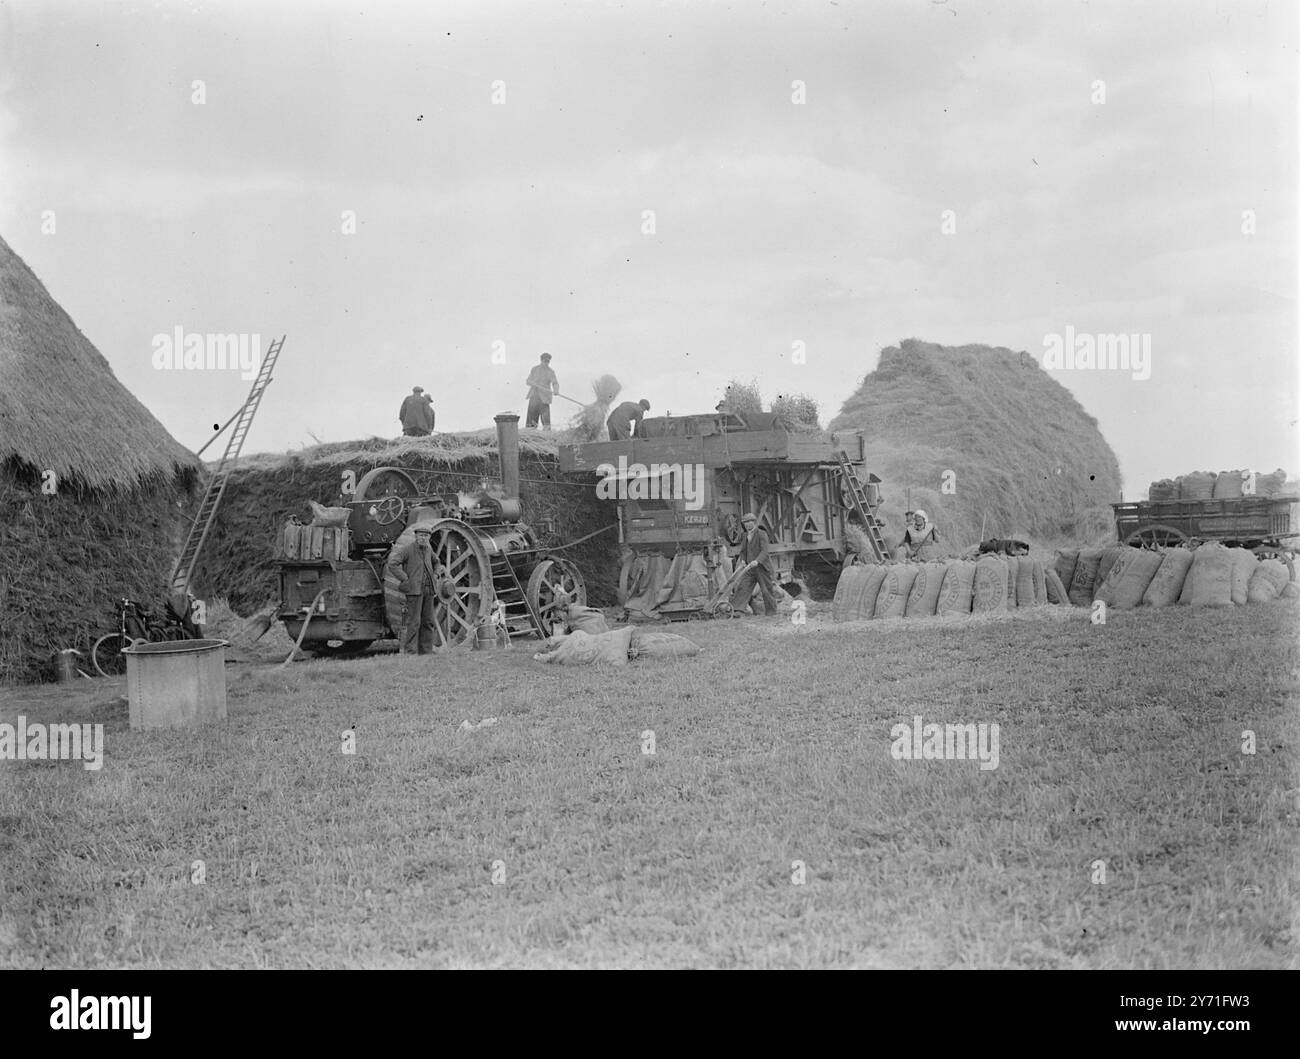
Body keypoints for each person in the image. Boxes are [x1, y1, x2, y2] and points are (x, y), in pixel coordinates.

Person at [386, 525, 439, 653]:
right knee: (414, 623)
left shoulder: (428, 550)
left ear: (429, 537)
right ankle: (411, 651)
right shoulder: (408, 549)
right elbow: (392, 563)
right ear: (415, 536)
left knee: (428, 622)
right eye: (421, 535)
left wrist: (436, 574)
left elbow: (437, 562)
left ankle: (426, 651)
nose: (423, 538)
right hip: (414, 591)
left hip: (428, 591)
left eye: (426, 536)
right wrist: (405, 578)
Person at [730, 512, 780, 617]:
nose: (747, 524)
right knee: (743, 587)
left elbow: (765, 551)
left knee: (766, 590)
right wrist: (743, 560)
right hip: (750, 568)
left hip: (761, 567)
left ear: (754, 522)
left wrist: (757, 561)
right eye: (745, 523)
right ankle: (737, 611)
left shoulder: (761, 533)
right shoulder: (744, 535)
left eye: (749, 522)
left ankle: (771, 613)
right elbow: (743, 551)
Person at [524, 353, 559, 429]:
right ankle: (531, 434)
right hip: (534, 397)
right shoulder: (534, 369)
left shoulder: (550, 371)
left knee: (546, 423)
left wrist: (556, 390)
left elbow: (555, 382)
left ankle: (547, 436)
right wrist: (532, 382)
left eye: (548, 361)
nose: (546, 363)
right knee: (531, 423)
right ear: (541, 360)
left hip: (544, 399)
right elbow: (528, 381)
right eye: (545, 361)